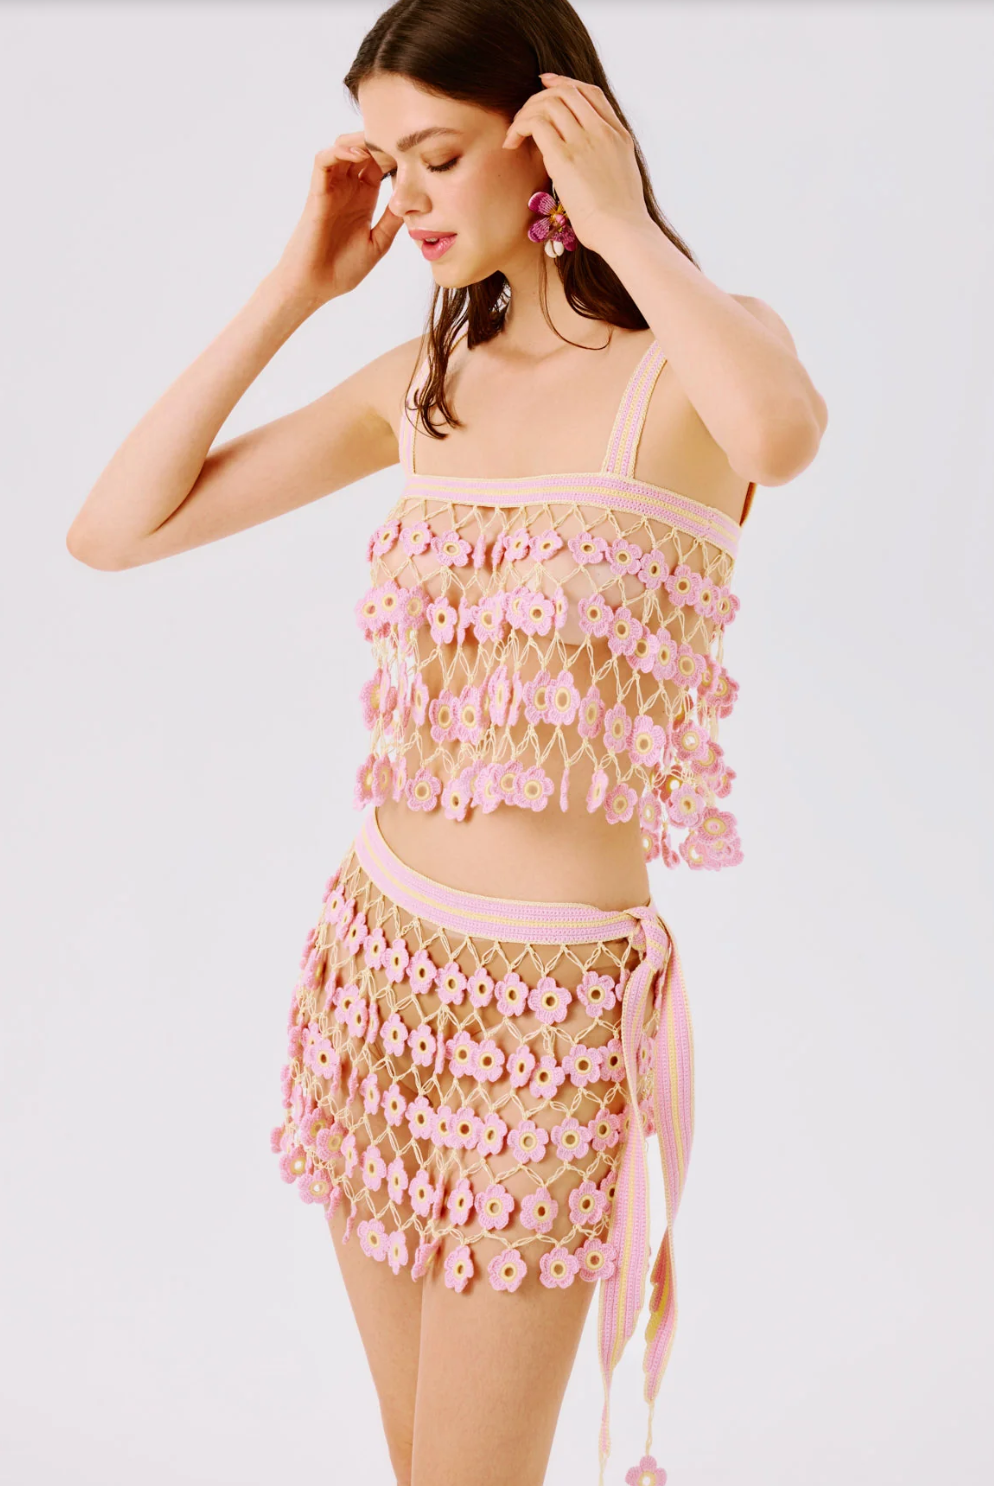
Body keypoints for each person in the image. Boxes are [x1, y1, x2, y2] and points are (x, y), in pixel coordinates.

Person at [66, 2, 827, 1482]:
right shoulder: (425, 387)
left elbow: (783, 439)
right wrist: (294, 289)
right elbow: (114, 529)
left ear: (547, 136)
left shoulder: (692, 367)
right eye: (386, 161)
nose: (405, 197)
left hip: (545, 1017)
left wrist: (622, 220)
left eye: (437, 155)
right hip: (380, 976)